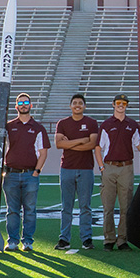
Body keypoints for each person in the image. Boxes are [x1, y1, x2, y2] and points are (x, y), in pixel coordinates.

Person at [0, 93, 49, 251]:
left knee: (30, 210)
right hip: (11, 174)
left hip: (30, 175)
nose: (23, 105)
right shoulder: (8, 126)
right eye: (20, 103)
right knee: (12, 210)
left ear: (31, 105)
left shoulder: (38, 128)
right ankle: (12, 241)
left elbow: (43, 152)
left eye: (26, 102)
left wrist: (36, 172)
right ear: (16, 106)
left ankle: (27, 241)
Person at [55, 93, 99, 250]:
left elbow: (92, 144)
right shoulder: (63, 123)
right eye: (74, 103)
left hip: (85, 169)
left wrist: (70, 144)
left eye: (80, 103)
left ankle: (86, 238)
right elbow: (59, 144)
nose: (77, 105)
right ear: (70, 106)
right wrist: (81, 140)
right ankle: (64, 239)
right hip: (67, 168)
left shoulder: (92, 123)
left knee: (85, 206)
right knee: (66, 206)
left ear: (84, 106)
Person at [97, 93, 140, 251]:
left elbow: (139, 145)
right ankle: (108, 239)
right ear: (113, 104)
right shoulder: (106, 124)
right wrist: (102, 167)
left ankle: (122, 240)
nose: (121, 105)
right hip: (109, 167)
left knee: (125, 207)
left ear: (127, 105)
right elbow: (98, 148)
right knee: (108, 207)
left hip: (126, 167)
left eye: (124, 103)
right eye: (118, 103)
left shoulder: (133, 124)